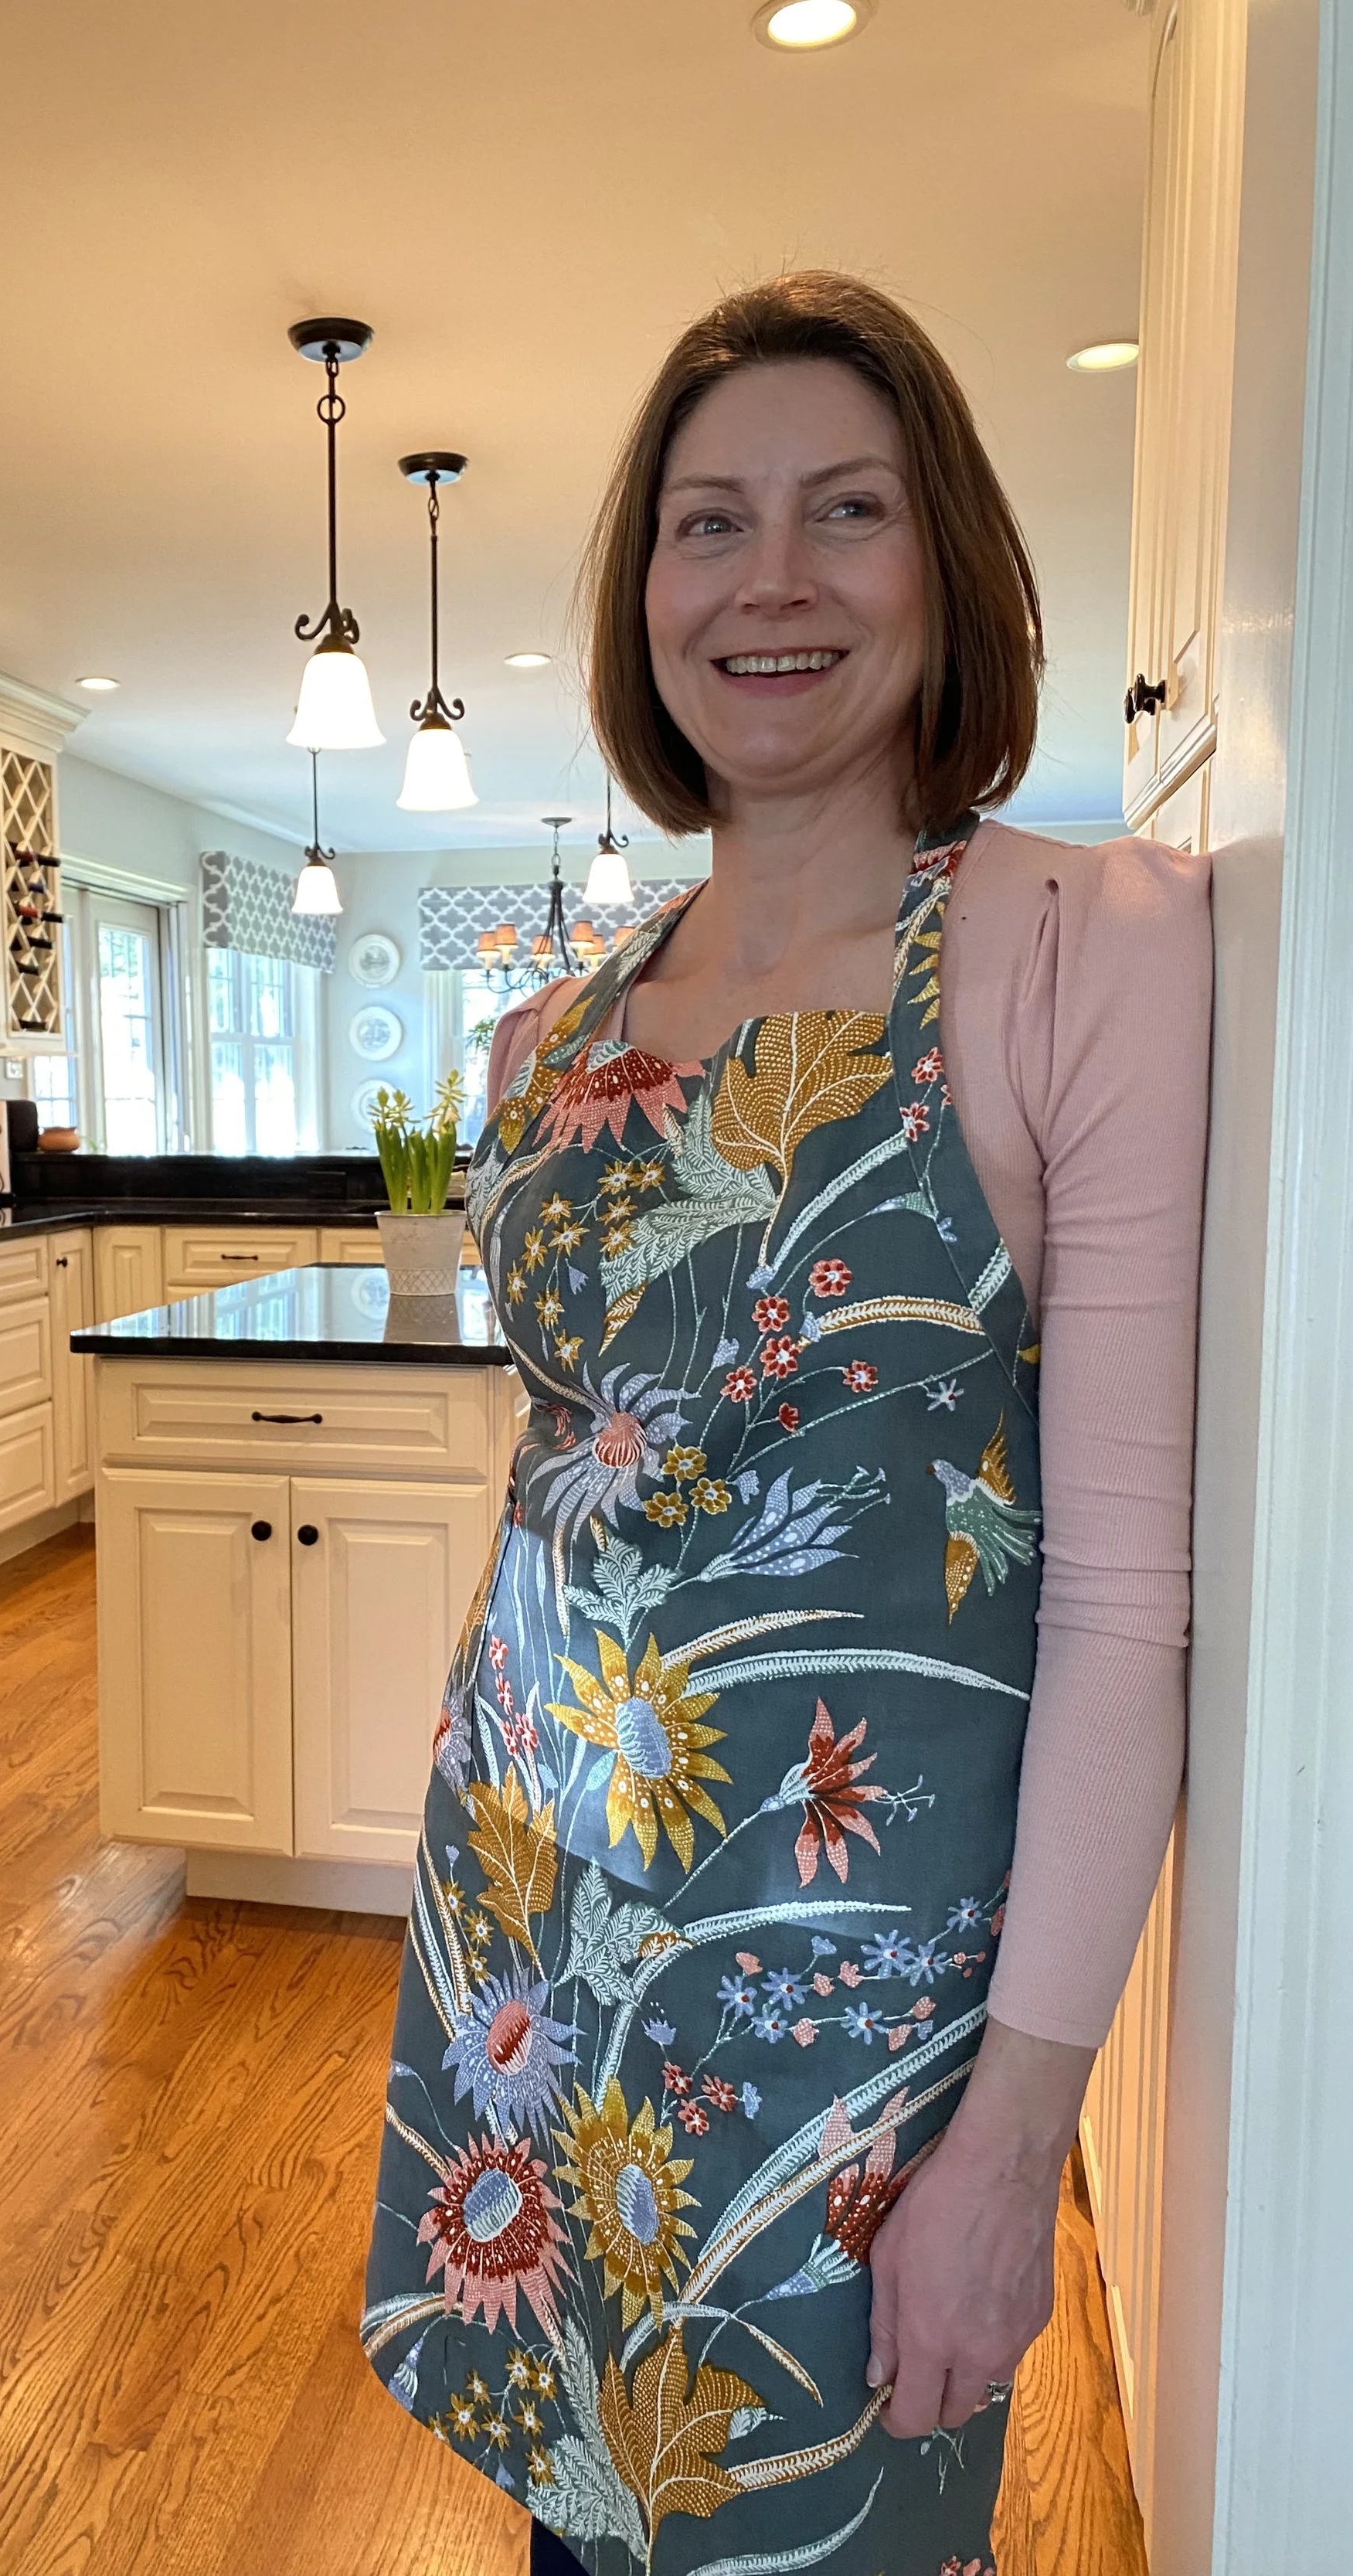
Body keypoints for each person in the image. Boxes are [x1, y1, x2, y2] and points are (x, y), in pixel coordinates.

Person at [360, 271, 1208, 2574]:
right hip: (532, 1950)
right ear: (641, 595)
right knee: (573, 2519)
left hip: (853, 2028)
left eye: (846, 510)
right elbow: (564, 1488)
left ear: (946, 564)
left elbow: (1128, 1597)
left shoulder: (1080, 946)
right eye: (706, 522)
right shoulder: (551, 1033)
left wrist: (1017, 2128)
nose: (771, 580)